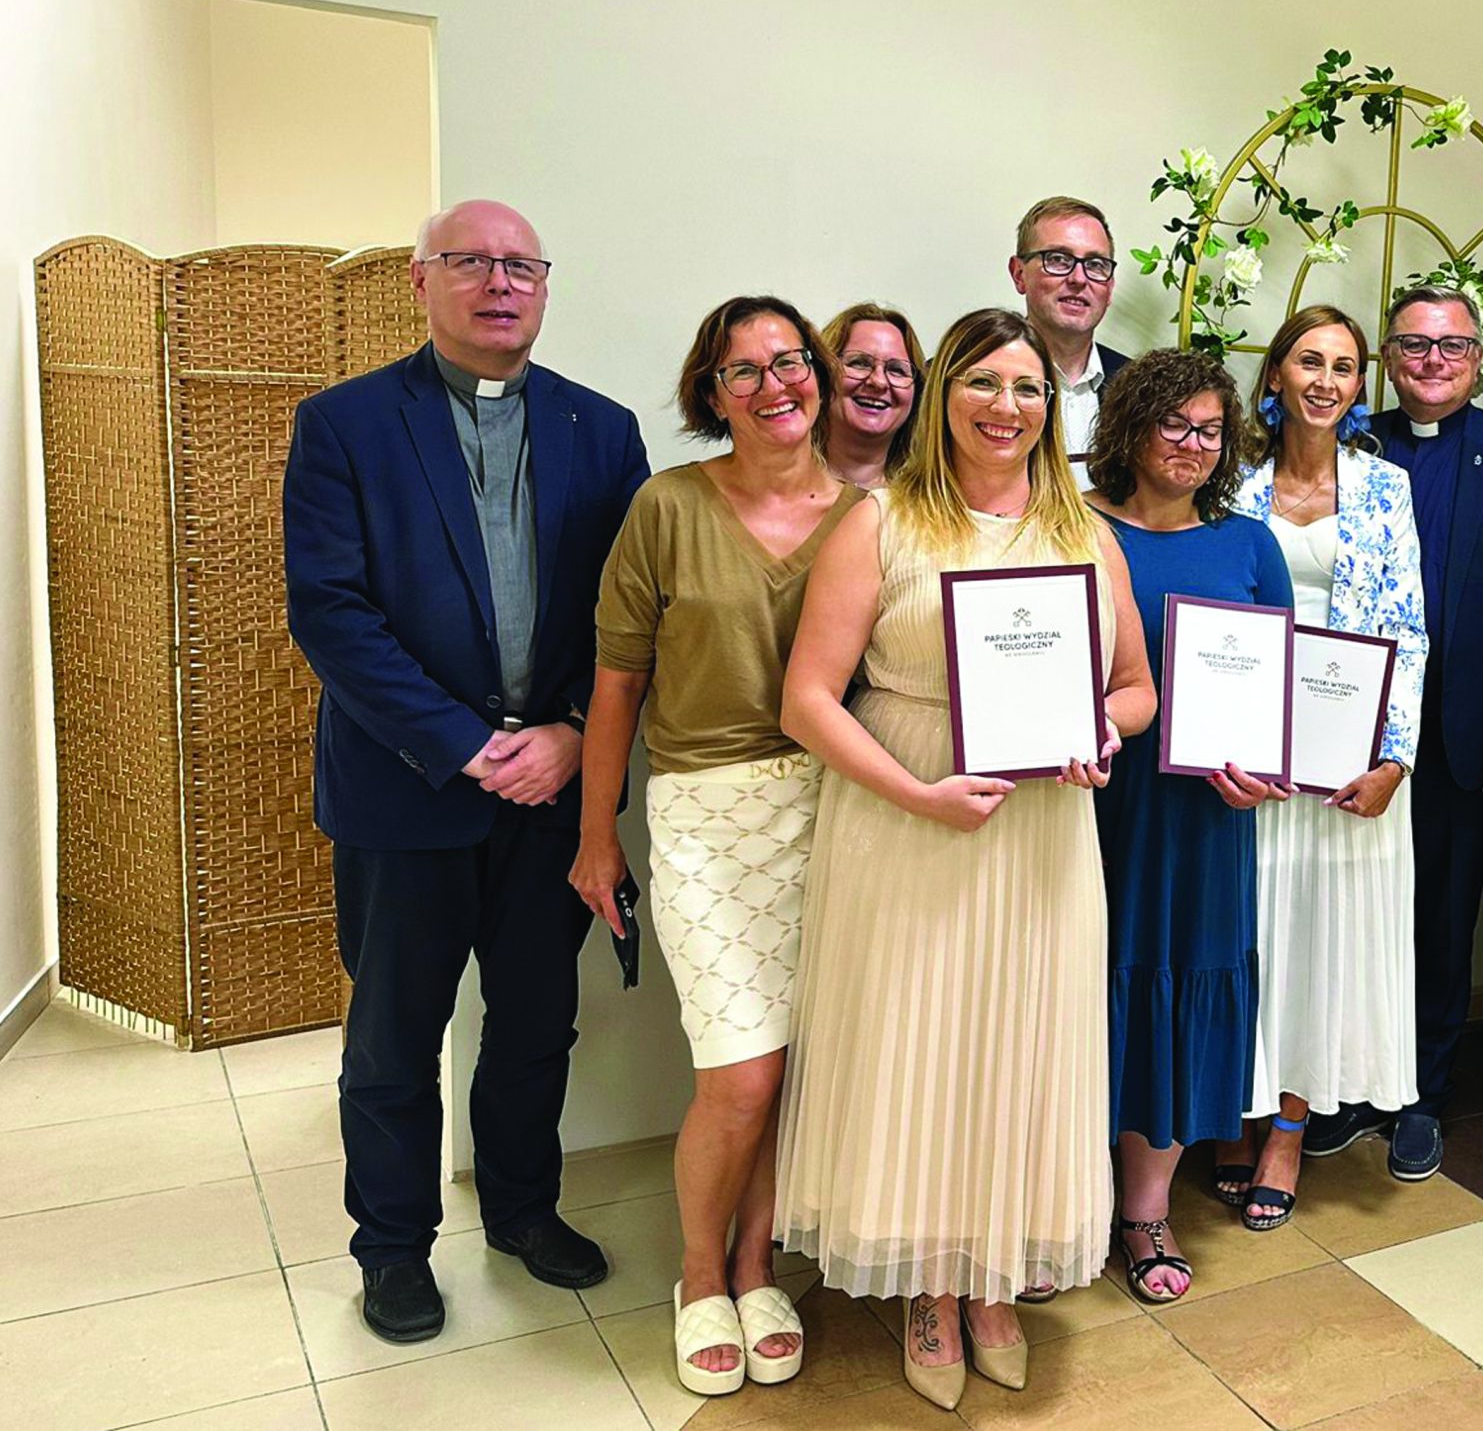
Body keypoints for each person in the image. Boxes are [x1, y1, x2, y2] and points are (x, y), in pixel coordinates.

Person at [772, 307, 1154, 1411]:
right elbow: (807, 698)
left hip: (1040, 832)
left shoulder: (1085, 532)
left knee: (1017, 1044)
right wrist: (917, 795)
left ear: (1051, 407)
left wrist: (1101, 727)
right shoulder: (881, 523)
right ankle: (928, 1288)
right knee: (918, 1042)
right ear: (943, 395)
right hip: (909, 815)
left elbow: (1136, 687)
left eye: (1028, 388)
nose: (1006, 406)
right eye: (983, 382)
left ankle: (992, 1279)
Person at [281, 200, 650, 1344]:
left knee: (537, 1021)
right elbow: (331, 613)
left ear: (544, 285)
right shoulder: (343, 425)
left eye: (521, 266)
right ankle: (392, 1248)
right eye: (472, 262)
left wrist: (576, 731)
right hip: (407, 794)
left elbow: (631, 613)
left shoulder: (603, 429)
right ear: (420, 280)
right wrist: (466, 744)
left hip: (555, 794)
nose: (500, 283)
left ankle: (523, 1210)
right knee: (394, 1038)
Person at [569, 297, 853, 1396]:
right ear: (711, 393)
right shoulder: (668, 507)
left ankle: (755, 1263)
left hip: (836, 812)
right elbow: (616, 684)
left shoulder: (868, 514)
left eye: (791, 361)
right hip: (704, 817)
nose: (774, 384)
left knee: (797, 1064)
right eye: (745, 370)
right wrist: (597, 836)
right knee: (742, 1072)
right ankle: (698, 1276)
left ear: (820, 374)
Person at [1315, 285, 1483, 1180]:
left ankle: (1419, 1094)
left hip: (1464, 738)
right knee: (1352, 914)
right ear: (1387, 358)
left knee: (1441, 920)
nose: (1432, 362)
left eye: (1451, 346)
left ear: (1478, 359)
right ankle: (1346, 1086)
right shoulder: (1349, 441)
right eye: (1414, 346)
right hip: (1351, 730)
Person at [1084, 348, 1292, 1303]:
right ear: (1132, 426)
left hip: (1207, 818)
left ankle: (1146, 1212)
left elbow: (1280, 693)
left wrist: (1265, 771)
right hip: (1091, 800)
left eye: (1211, 429)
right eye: (1175, 423)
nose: (1193, 444)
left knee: (1178, 994)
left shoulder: (1250, 545)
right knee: (1079, 994)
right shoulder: (1074, 526)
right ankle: (1061, 1206)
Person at [1227, 305, 1428, 1232]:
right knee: (1253, 935)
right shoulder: (1227, 479)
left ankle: (1288, 1128)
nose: (1325, 381)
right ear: (1276, 373)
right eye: (1309, 361)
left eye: (1344, 367)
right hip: (1248, 751)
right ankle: (1238, 1106)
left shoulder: (1386, 487)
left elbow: (1408, 629)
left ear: (1359, 386)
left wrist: (1395, 759)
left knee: (1320, 943)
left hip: (1350, 755)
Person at [1007, 196, 1131, 471]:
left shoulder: (1139, 388)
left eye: (1095, 264)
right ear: (1019, 274)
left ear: (1110, 287)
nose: (1078, 279)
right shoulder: (962, 379)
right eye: (1058, 259)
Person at [818, 300, 922, 490]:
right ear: (822, 374)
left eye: (897, 370)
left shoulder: (928, 501)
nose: (879, 382)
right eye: (859, 363)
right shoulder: (772, 481)